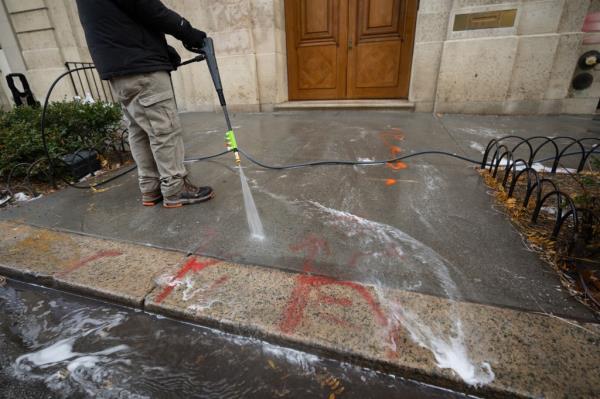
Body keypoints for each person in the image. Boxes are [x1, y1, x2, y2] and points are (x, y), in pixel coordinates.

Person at [75, 0, 214, 208]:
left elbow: (123, 21)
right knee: (164, 130)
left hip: (118, 69)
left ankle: (151, 188)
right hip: (141, 67)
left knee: (138, 130)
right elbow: (150, 8)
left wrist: (162, 51)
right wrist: (188, 31)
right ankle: (175, 188)